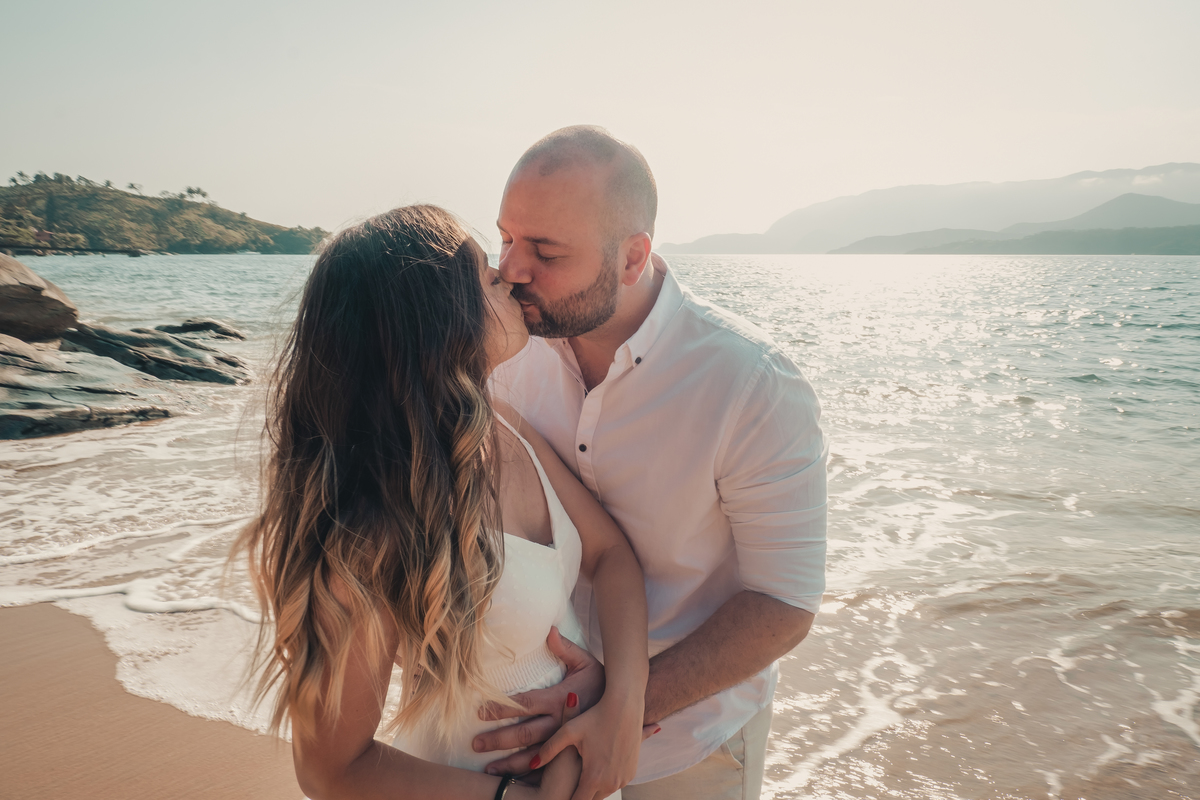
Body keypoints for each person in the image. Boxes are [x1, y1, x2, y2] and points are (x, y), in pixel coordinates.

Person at [236, 204, 649, 800]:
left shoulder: (503, 426)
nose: (509, 276)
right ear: (431, 320)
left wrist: (619, 700)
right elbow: (330, 769)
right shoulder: (373, 526)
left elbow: (613, 556)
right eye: (485, 274)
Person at [479, 126, 828, 800]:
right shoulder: (505, 347)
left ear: (633, 257)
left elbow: (784, 605)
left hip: (688, 749)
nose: (513, 270)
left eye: (546, 251)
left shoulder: (752, 384)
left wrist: (620, 704)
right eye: (506, 239)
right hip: (522, 728)